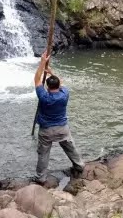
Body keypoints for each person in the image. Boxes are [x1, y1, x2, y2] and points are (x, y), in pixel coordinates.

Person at [33, 52, 84, 183]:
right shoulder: (64, 94)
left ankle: (41, 178)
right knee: (70, 147)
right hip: (62, 128)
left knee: (43, 155)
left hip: (46, 131)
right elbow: (60, 83)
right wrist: (51, 72)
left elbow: (37, 80)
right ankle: (79, 165)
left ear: (48, 87)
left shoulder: (44, 97)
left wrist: (42, 63)